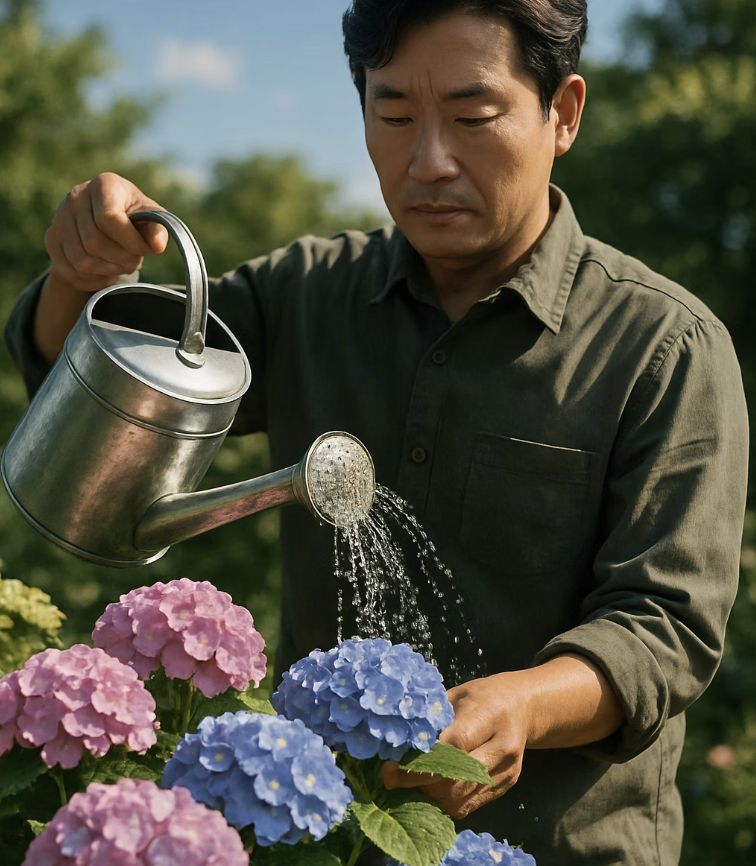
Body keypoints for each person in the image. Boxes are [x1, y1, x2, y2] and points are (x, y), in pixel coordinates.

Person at [4, 1, 748, 864]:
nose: (428, 161)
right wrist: (79, 274)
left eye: (473, 118)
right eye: (394, 115)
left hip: (560, 844)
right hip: (313, 840)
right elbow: (92, 381)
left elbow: (666, 622)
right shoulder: (307, 295)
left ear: (564, 113)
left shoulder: (662, 347)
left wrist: (523, 707)